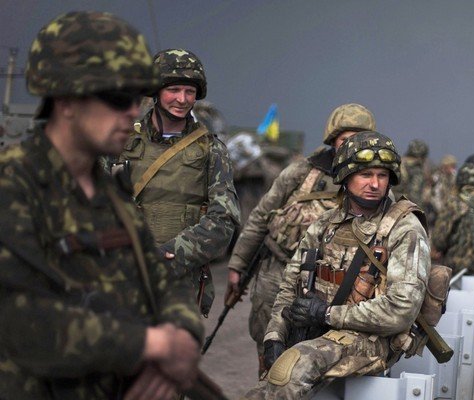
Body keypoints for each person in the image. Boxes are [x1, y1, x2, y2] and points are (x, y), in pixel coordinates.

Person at [0, 11, 204, 399]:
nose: (132, 112)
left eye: (136, 99)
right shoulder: (14, 185)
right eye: (116, 98)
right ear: (66, 100)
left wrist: (184, 334)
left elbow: (163, 282)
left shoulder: (111, 196)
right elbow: (22, 323)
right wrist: (155, 346)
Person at [243, 131, 431, 399]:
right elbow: (289, 286)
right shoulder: (325, 223)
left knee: (292, 371)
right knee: (257, 392)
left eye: (382, 175)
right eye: (365, 174)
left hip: (372, 339)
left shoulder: (404, 228)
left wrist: (327, 314)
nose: (375, 184)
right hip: (319, 330)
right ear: (345, 176)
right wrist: (274, 335)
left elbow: (401, 309)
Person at [227, 103, 376, 375]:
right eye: (344, 139)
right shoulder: (301, 172)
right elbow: (261, 217)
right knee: (269, 345)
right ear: (332, 140)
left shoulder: (373, 184)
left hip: (332, 283)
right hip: (277, 270)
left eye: (358, 139)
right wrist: (238, 264)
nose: (350, 146)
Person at [119, 48, 241, 316]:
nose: (182, 99)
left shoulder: (211, 150)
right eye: (173, 90)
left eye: (190, 91)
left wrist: (169, 256)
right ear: (156, 91)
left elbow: (224, 221)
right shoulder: (119, 143)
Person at [392, 138, 432, 210]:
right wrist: (419, 211)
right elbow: (415, 193)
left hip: (393, 204)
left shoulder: (399, 164)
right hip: (407, 207)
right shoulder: (416, 169)